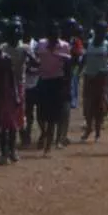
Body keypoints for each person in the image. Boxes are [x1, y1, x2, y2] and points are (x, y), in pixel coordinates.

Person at [34, 27, 72, 155]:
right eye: (51, 38)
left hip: (57, 82)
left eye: (55, 38)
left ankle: (48, 146)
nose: (53, 41)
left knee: (52, 116)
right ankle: (44, 133)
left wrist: (66, 84)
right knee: (40, 113)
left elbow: (68, 65)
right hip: (43, 81)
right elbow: (36, 58)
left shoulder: (64, 46)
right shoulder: (41, 44)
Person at [0, 33, 21, 164]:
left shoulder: (5, 58)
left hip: (6, 94)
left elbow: (12, 77)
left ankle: (11, 151)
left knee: (10, 125)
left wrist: (16, 95)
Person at [80, 23, 108, 141]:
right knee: (87, 104)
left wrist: (107, 69)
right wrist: (79, 71)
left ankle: (98, 131)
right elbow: (84, 59)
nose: (101, 33)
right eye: (99, 31)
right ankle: (89, 126)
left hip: (102, 78)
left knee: (100, 105)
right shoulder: (88, 44)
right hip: (89, 76)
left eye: (103, 31)